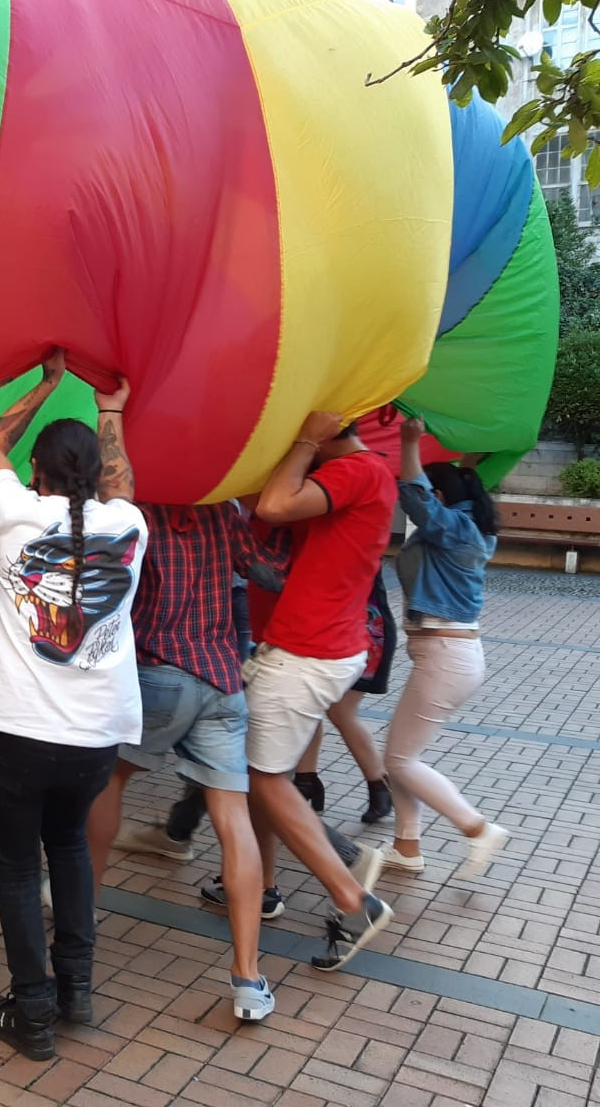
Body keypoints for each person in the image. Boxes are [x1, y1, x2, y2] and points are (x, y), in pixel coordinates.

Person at [0, 352, 145, 1062]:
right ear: (99, 477)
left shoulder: (13, 512)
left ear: (36, 472)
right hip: (95, 735)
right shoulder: (129, 524)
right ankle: (76, 989)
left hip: (13, 732)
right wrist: (111, 407)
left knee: (13, 869)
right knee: (67, 849)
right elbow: (120, 476)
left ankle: (30, 1012)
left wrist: (42, 386)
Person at [84, 500, 287, 1022]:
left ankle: (79, 919)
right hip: (221, 679)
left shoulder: (136, 513)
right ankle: (247, 978)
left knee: (108, 781)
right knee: (233, 821)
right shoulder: (224, 513)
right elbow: (268, 572)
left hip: (158, 675)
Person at [236, 414, 396, 972]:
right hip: (314, 646)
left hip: (308, 650)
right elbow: (262, 499)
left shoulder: (358, 469)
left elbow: (274, 507)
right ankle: (266, 884)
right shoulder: (352, 473)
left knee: (263, 778)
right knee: (264, 775)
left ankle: (354, 899)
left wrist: (302, 438)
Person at [377, 418, 509, 878]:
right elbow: (433, 495)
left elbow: (414, 495)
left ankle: (475, 828)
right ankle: (406, 847)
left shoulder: (458, 530)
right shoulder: (467, 525)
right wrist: (466, 463)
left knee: (399, 759)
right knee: (400, 754)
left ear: (440, 497)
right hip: (447, 654)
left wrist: (409, 442)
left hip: (446, 656)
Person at [291, 568, 396, 823]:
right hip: (326, 628)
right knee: (307, 700)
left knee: (340, 710)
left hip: (365, 630)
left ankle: (380, 784)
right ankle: (306, 781)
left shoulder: (350, 534)